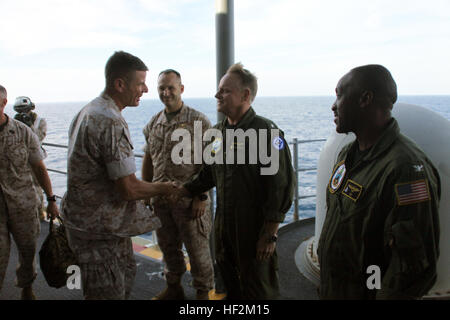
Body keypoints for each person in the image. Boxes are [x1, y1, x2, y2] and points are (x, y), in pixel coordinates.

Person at [317, 64, 441, 299]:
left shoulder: (405, 169)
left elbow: (413, 270)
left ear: (365, 98)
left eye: (340, 94)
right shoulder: (347, 156)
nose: (334, 106)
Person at [173, 63, 295, 299]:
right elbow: (209, 174)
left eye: (225, 91)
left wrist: (270, 234)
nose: (217, 95)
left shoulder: (266, 133)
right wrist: (184, 190)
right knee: (231, 287)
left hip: (254, 231)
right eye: (219, 90)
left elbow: (281, 187)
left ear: (246, 95)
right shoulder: (218, 133)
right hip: (224, 229)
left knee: (259, 289)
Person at [60, 51, 176, 300]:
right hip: (99, 232)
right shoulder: (109, 120)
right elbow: (129, 189)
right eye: (140, 83)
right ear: (120, 84)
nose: (145, 89)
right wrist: (166, 188)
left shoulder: (89, 110)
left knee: (122, 279)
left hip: (98, 226)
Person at [142, 69, 214, 300]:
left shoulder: (199, 121)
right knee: (168, 248)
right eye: (161, 88)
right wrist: (146, 192)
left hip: (191, 203)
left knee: (198, 253)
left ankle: (203, 294)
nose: (166, 92)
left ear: (181, 89)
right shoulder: (154, 123)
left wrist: (201, 196)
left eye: (171, 87)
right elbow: (149, 158)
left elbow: (211, 163)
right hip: (161, 202)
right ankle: (174, 288)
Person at [0, 85, 60, 300]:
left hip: (23, 204)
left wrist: (51, 200)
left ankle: (27, 288)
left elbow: (39, 168)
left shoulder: (23, 132)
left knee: (27, 252)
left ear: (4, 103)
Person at [13, 96, 48, 221]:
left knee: (37, 188)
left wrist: (29, 126)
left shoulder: (40, 121)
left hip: (35, 159)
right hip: (20, 160)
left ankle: (40, 215)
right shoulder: (14, 123)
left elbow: (38, 139)